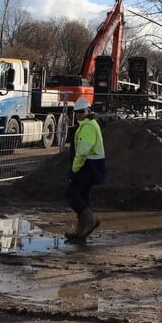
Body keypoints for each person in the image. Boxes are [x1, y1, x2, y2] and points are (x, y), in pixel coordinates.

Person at [64, 97, 105, 241]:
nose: (78, 114)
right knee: (83, 197)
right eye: (76, 112)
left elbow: (82, 151)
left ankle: (91, 219)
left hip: (87, 166)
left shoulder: (88, 126)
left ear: (88, 111)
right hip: (91, 166)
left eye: (81, 112)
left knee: (71, 194)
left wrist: (75, 168)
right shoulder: (87, 124)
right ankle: (80, 231)